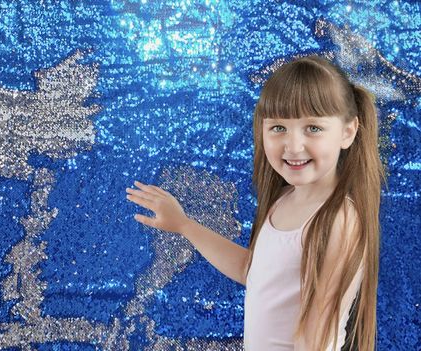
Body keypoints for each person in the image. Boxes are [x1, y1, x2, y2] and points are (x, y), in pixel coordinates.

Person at [125, 55, 386, 351]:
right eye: (278, 127)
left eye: (313, 128)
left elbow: (316, 338)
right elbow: (252, 270)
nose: (293, 145)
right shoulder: (285, 199)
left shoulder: (339, 219)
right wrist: (184, 224)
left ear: (348, 132)